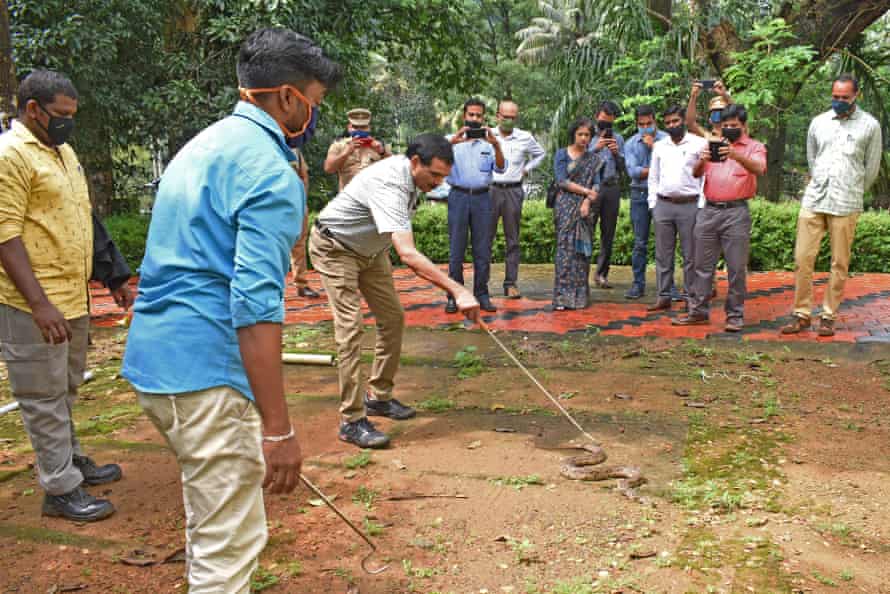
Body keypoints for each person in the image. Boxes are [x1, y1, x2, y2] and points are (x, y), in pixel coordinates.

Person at [122, 28, 341, 592]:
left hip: (155, 362)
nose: (312, 117)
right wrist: (278, 429)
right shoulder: (270, 172)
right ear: (289, 98)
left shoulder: (202, 146)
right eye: (313, 104)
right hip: (207, 372)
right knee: (229, 548)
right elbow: (254, 305)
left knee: (212, 517)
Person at [0, 70, 131, 523]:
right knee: (41, 394)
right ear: (32, 109)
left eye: (72, 116)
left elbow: (85, 220)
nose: (67, 124)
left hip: (72, 297)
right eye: (60, 116)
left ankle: (69, 459)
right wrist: (38, 303)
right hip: (31, 304)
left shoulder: (62, 151)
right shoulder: (10, 155)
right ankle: (59, 488)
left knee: (67, 388)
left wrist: (115, 277)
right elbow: (5, 235)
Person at [310, 134, 480, 448]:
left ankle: (379, 396)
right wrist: (459, 291)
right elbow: (409, 254)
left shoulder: (413, 174)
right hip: (335, 247)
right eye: (435, 175)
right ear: (416, 162)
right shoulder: (391, 182)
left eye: (444, 176)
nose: (439, 183)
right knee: (350, 329)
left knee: (393, 319)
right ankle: (351, 420)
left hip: (371, 251)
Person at [781, 74, 882, 337]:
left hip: (846, 201)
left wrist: (853, 189)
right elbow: (812, 159)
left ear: (855, 96)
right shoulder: (819, 123)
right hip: (815, 198)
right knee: (802, 258)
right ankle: (801, 313)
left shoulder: (870, 126)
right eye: (835, 97)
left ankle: (828, 315)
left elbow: (871, 169)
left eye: (844, 98)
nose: (838, 102)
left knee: (839, 262)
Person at [674, 104, 766, 331]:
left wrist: (736, 154)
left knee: (736, 267)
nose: (728, 129)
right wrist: (703, 158)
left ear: (744, 125)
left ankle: (735, 315)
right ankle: (698, 311)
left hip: (736, 212)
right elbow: (696, 173)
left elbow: (760, 169)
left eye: (733, 126)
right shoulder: (712, 142)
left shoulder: (754, 147)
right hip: (709, 210)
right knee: (701, 265)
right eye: (725, 125)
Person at [444, 98, 506, 314]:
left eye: (478, 116)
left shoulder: (489, 144)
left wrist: (496, 145)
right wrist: (452, 143)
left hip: (482, 198)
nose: (474, 119)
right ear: (464, 116)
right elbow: (433, 159)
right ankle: (454, 295)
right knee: (456, 250)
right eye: (471, 115)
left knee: (482, 250)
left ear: (483, 118)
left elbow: (500, 168)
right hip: (458, 197)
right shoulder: (450, 142)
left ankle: (482, 293)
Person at [647, 105, 707, 312]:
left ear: (683, 121)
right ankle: (663, 296)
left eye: (676, 121)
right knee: (663, 255)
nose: (672, 125)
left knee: (691, 256)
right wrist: (653, 204)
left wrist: (701, 205)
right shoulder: (660, 146)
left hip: (690, 205)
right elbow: (653, 177)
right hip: (663, 205)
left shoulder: (699, 143)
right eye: (668, 122)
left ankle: (691, 298)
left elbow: (705, 175)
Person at [489, 99, 545, 299]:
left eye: (513, 117)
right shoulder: (488, 135)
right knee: (485, 238)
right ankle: (482, 283)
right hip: (491, 190)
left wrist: (526, 169)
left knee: (512, 239)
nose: (509, 121)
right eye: (506, 117)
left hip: (513, 191)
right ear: (498, 116)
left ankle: (510, 283)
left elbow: (540, 154)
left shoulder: (525, 137)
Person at [552, 118, 603, 310]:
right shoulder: (561, 154)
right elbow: (562, 181)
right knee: (565, 250)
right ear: (574, 134)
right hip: (565, 206)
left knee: (582, 252)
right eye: (580, 134)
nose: (583, 138)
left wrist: (588, 201)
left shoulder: (594, 160)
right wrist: (586, 192)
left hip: (585, 210)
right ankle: (562, 298)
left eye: (587, 135)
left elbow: (596, 184)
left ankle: (580, 298)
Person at [624, 104, 667, 299]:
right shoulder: (630, 143)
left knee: (664, 243)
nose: (645, 127)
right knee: (640, 243)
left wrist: (654, 148)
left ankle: (667, 287)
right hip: (639, 194)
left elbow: (673, 169)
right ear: (637, 124)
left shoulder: (666, 140)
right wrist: (658, 170)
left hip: (662, 195)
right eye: (641, 124)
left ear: (655, 121)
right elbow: (632, 172)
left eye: (649, 123)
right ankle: (637, 284)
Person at [588, 101, 625, 289]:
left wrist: (616, 153)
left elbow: (623, 168)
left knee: (608, 233)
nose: (606, 128)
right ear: (597, 117)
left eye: (609, 124)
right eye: (603, 123)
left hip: (612, 187)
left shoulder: (618, 138)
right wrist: (596, 148)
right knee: (587, 229)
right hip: (592, 188)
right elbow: (578, 162)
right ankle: (581, 271)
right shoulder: (586, 136)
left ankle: (602, 274)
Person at [323, 108, 391, 191]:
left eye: (363, 127)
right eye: (355, 127)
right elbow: (328, 168)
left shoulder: (380, 145)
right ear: (349, 127)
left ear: (369, 128)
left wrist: (382, 152)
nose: (359, 130)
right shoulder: (338, 145)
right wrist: (346, 152)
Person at [289, 146, 322, 298]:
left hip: (297, 203)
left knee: (299, 245)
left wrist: (302, 199)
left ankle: (301, 284)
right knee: (270, 245)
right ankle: (267, 288)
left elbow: (304, 175)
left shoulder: (294, 150)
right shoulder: (264, 146)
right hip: (271, 204)